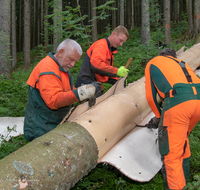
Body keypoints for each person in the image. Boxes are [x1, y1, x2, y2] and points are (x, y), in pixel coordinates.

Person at [24, 39, 103, 142]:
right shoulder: (48, 69)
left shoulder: (61, 67)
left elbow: (68, 90)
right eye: (71, 59)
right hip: (42, 127)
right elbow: (54, 100)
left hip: (54, 123)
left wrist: (86, 94)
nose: (73, 64)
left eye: (75, 61)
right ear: (61, 52)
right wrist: (84, 92)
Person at [145, 48, 200, 190]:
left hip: (179, 102)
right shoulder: (182, 63)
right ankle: (186, 179)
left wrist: (158, 117)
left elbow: (151, 97)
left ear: (161, 56)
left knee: (171, 154)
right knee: (182, 140)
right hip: (198, 101)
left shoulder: (153, 63)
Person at [75, 25, 129, 96]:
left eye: (123, 42)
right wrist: (117, 71)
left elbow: (104, 70)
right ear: (114, 34)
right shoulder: (101, 45)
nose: (121, 44)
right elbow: (96, 65)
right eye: (120, 40)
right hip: (85, 84)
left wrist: (118, 79)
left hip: (94, 85)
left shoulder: (109, 50)